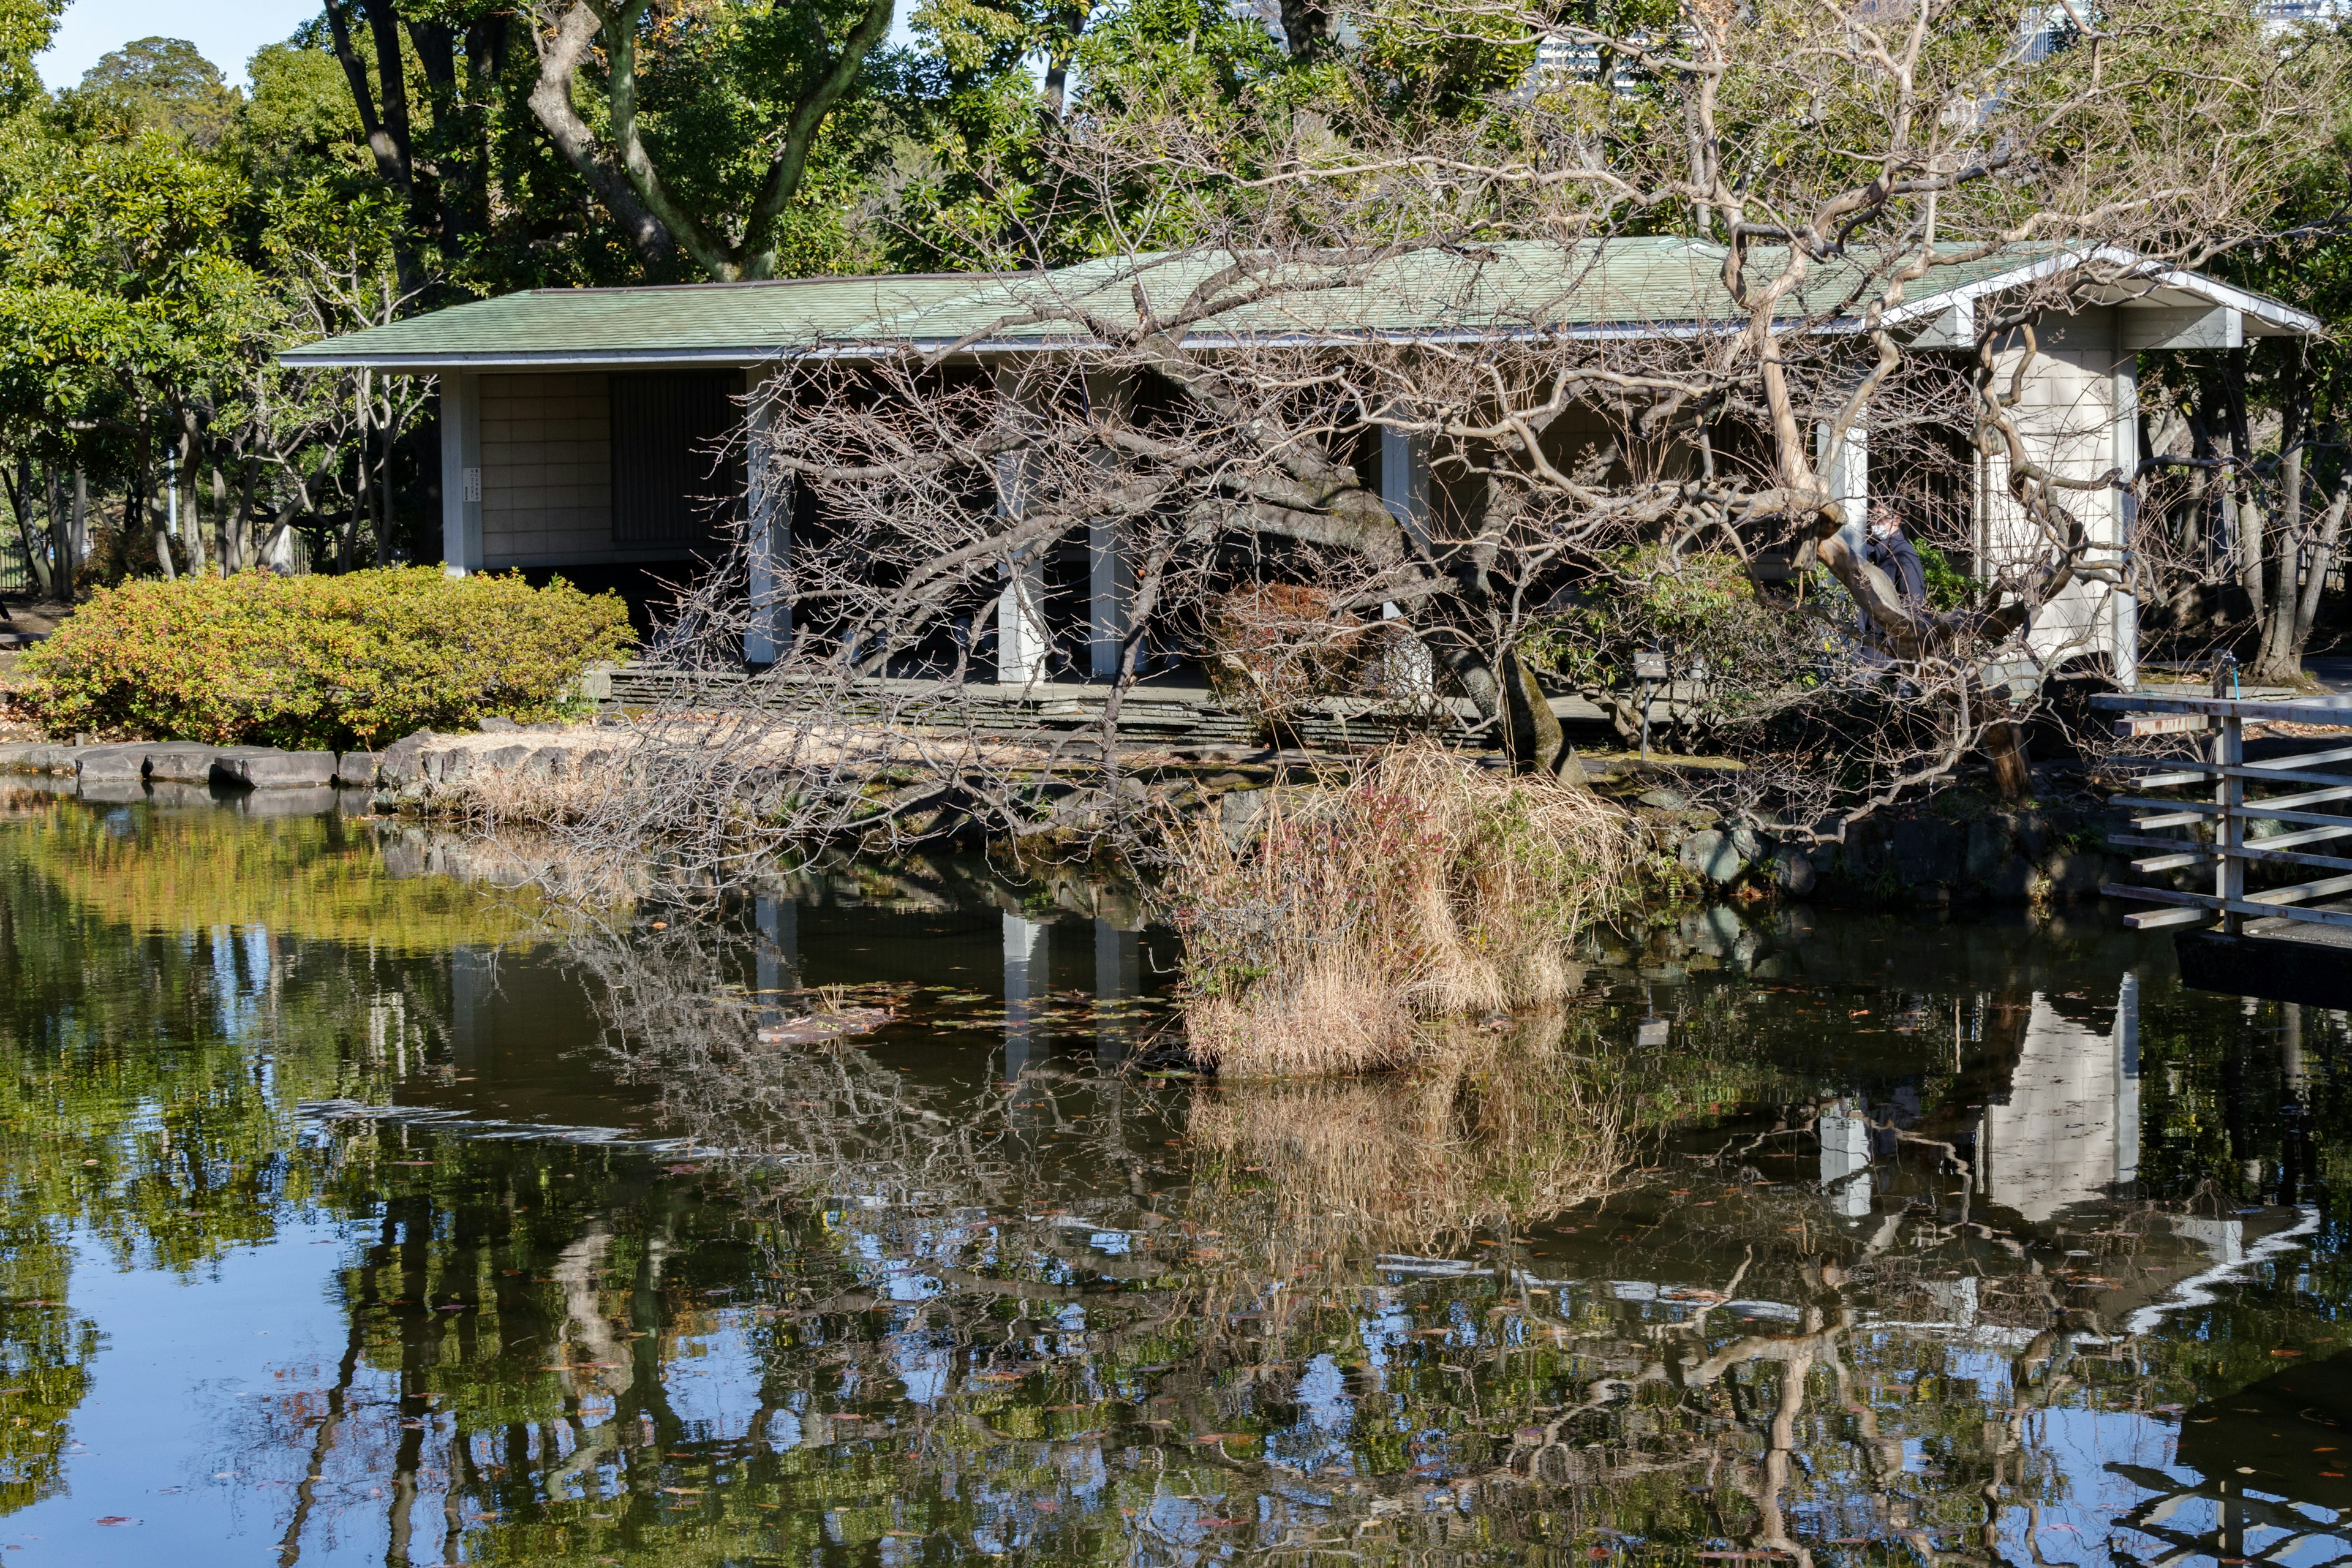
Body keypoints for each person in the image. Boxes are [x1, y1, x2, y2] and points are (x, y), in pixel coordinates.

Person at [1861, 502, 1926, 641]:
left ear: (1896, 521)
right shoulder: (1873, 551)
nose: (1874, 521)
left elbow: (1913, 602)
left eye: (1879, 516)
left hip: (1886, 643)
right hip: (1869, 636)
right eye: (1872, 516)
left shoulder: (1904, 555)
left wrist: (1888, 631)